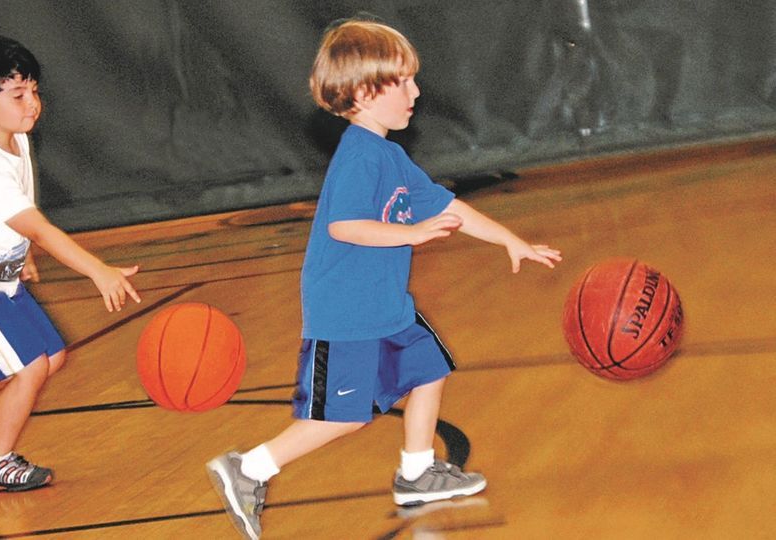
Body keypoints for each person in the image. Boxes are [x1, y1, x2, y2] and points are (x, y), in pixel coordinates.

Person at [206, 17, 561, 539]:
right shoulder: (358, 155)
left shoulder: (390, 154)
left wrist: (509, 239)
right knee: (342, 417)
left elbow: (448, 204)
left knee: (428, 368)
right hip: (345, 310)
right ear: (366, 93)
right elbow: (344, 225)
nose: (416, 91)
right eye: (404, 82)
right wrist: (412, 234)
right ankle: (249, 469)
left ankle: (417, 474)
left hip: (384, 302)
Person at [0, 35, 141, 493]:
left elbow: (18, 214)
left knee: (51, 356)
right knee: (28, 367)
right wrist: (97, 269)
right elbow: (37, 225)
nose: (32, 103)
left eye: (34, 90)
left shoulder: (15, 136)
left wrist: (22, 258)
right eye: (18, 95)